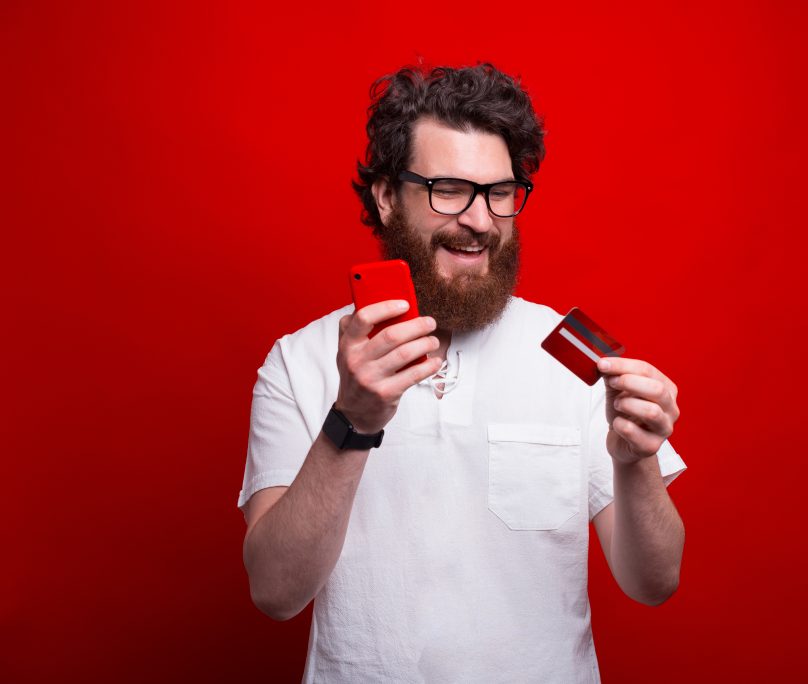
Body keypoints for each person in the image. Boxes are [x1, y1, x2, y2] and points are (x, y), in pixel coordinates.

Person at [238, 63, 686, 683]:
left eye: (499, 192)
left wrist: (636, 462)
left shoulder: (568, 348)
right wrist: (351, 422)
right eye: (448, 188)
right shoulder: (301, 359)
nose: (479, 220)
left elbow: (654, 582)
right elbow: (275, 591)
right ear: (388, 196)